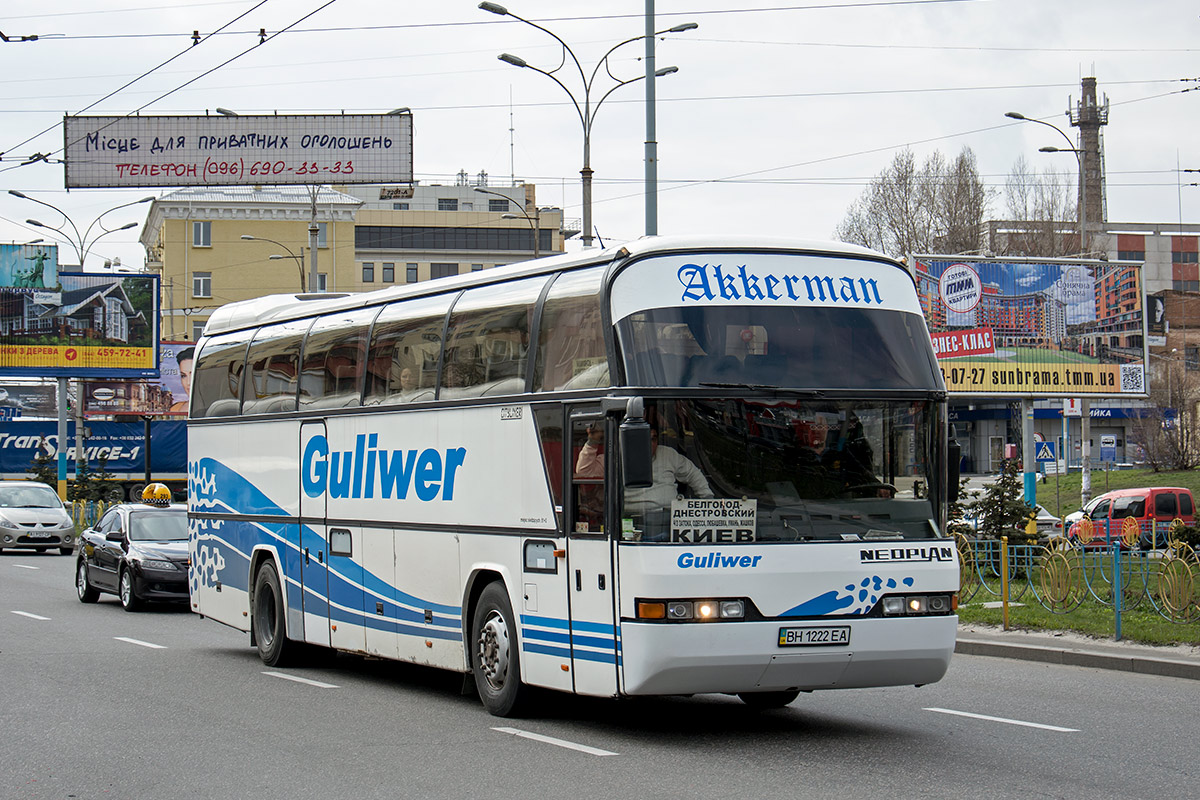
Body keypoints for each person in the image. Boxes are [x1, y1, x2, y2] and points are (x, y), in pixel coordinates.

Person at [623, 428, 713, 515]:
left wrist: (708, 501)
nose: (649, 444)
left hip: (669, 519)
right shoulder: (619, 457)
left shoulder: (668, 454)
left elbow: (692, 473)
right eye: (643, 439)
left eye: (653, 439)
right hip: (629, 521)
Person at [168, 346, 194, 413]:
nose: (188, 382)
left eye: (193, 375)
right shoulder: (175, 409)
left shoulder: (218, 408)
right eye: (183, 376)